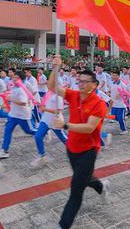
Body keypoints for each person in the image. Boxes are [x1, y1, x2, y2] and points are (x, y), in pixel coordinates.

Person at [48, 56, 110, 229]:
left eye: (85, 81)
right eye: (79, 80)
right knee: (84, 178)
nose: (81, 83)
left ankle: (63, 224)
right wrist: (55, 68)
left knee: (76, 188)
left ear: (94, 85)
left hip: (89, 150)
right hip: (72, 148)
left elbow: (90, 127)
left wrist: (65, 125)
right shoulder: (74, 95)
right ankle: (101, 186)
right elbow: (53, 87)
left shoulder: (99, 104)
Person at [0, 71, 36, 159]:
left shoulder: (21, 89)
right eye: (14, 77)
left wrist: (10, 100)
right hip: (13, 114)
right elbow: (11, 96)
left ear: (21, 79)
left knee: (29, 131)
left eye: (16, 78)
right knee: (7, 131)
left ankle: (44, 130)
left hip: (23, 115)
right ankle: (4, 151)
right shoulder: (14, 87)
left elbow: (23, 103)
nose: (14, 79)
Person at [30, 89, 67, 168]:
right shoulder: (48, 93)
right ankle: (42, 155)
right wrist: (41, 106)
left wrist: (45, 109)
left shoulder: (58, 96)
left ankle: (75, 151)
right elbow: (44, 104)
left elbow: (59, 111)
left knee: (63, 138)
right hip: (45, 119)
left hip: (55, 120)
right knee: (38, 136)